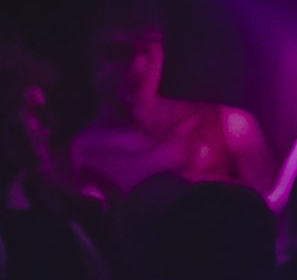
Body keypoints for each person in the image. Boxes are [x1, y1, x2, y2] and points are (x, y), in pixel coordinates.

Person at [63, 12, 268, 206]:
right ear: (89, 61)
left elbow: (271, 219)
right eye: (118, 52)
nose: (137, 66)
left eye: (147, 49)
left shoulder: (229, 128)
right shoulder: (79, 155)